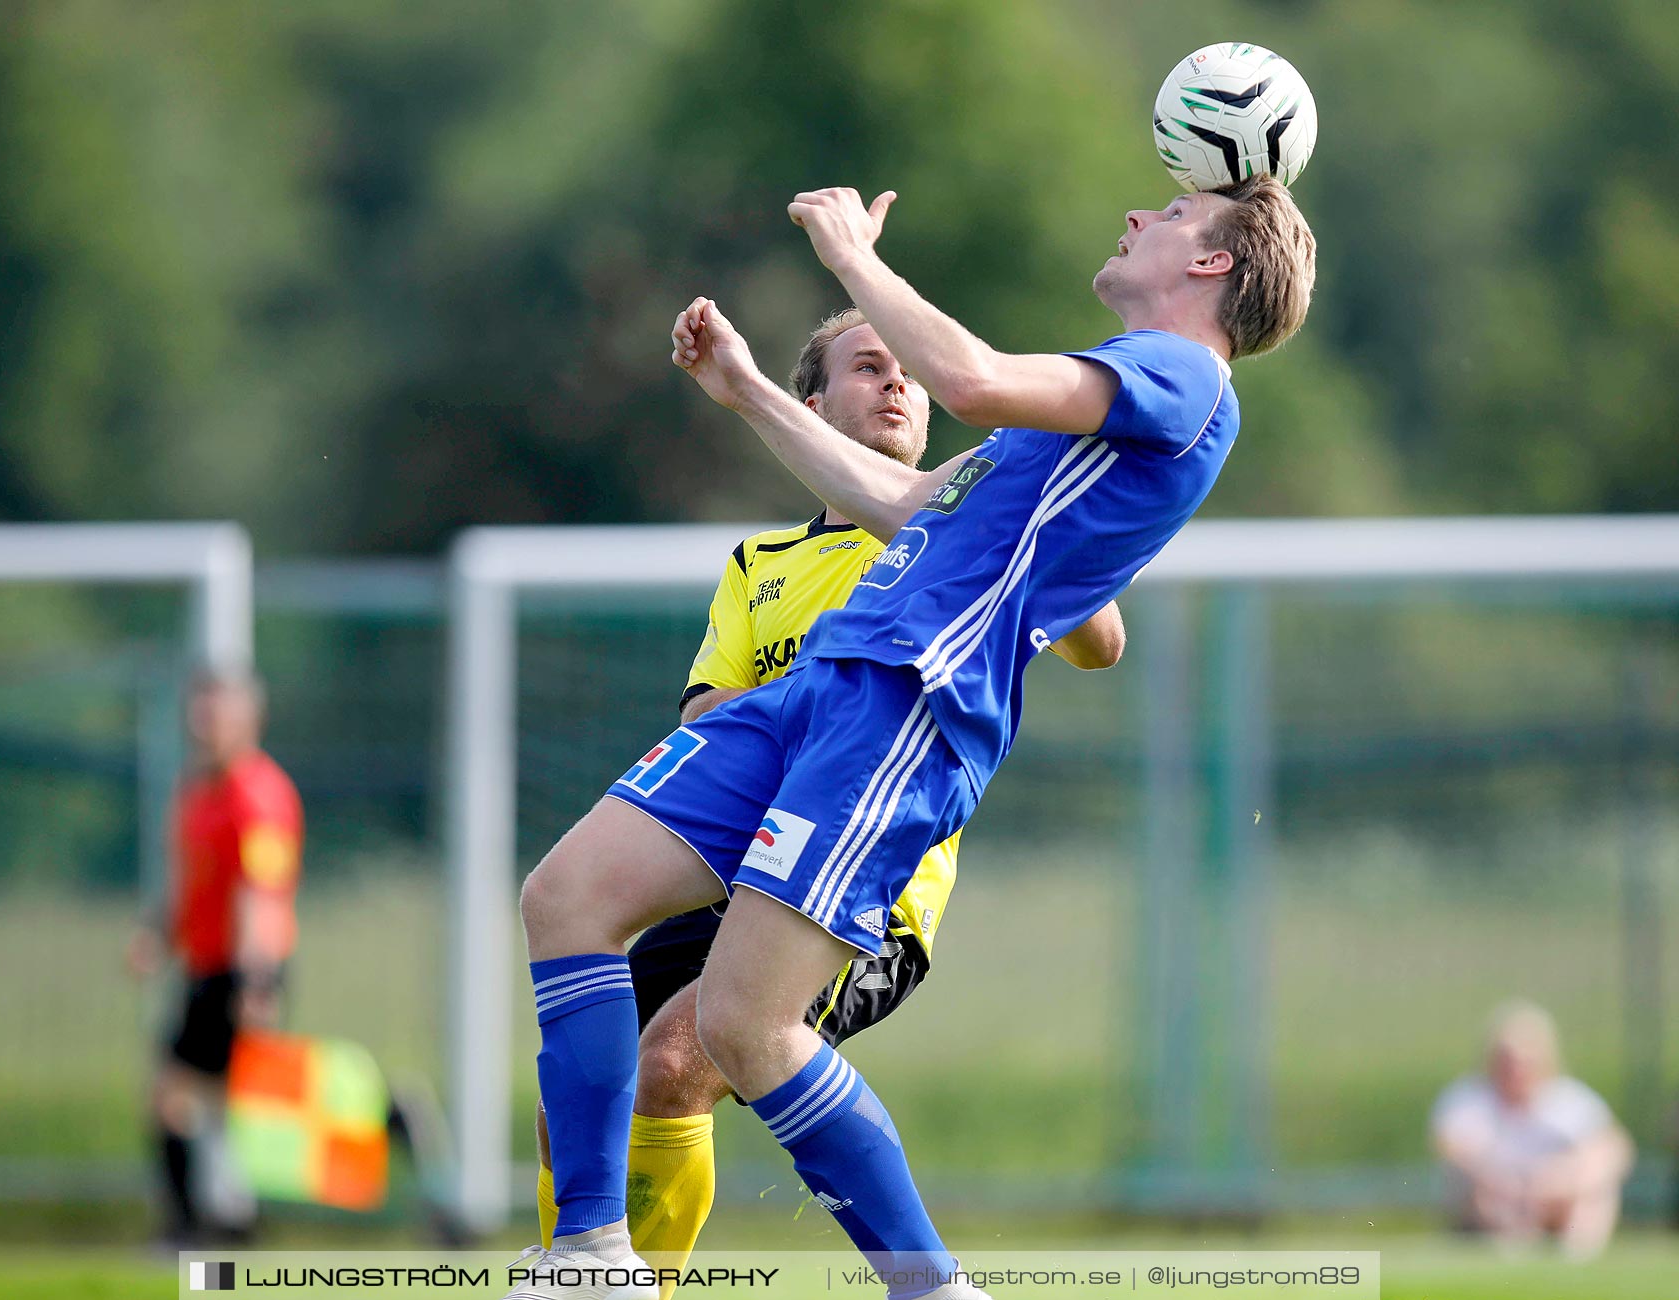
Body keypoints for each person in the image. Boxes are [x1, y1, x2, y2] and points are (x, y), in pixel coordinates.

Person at [509, 175, 1314, 1300]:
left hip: (908, 702)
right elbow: (912, 500)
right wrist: (746, 391)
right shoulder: (1109, 397)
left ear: (1213, 266)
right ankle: (590, 1257)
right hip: (829, 682)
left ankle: (933, 1289)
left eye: (1171, 216)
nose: (1137, 216)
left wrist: (852, 259)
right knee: (567, 896)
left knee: (743, 1028)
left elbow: (971, 381)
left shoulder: (1182, 370)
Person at [529, 308, 1126, 1285]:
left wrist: (1036, 545)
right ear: (812, 405)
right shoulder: (757, 565)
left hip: (863, 879)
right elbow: (711, 714)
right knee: (576, 1104)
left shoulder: (959, 527)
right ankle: (582, 1261)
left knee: (677, 1060)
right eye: (868, 366)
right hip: (730, 863)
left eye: (909, 372)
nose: (897, 383)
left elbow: (1098, 639)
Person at [127, 669, 303, 1245]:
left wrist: (257, 980)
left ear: (250, 719)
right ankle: (222, 1227)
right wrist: (160, 935)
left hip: (242, 969)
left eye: (218, 713)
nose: (206, 725)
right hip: (205, 966)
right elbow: (192, 884)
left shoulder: (259, 795)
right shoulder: (196, 791)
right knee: (218, 1101)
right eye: (199, 712)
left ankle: (193, 1230)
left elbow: (262, 891)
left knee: (196, 1098)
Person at [1431, 1000, 1634, 1258]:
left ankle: (1578, 1256)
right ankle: (1512, 1248)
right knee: (1485, 1198)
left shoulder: (1569, 1100)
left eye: (1526, 1061)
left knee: (1595, 1197)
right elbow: (1454, 1149)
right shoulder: (1469, 1100)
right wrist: (1505, 1183)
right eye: (1508, 1060)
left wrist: (1559, 1181)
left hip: (1556, 1199)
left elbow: (1613, 1150)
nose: (1517, 1070)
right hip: (1496, 1199)